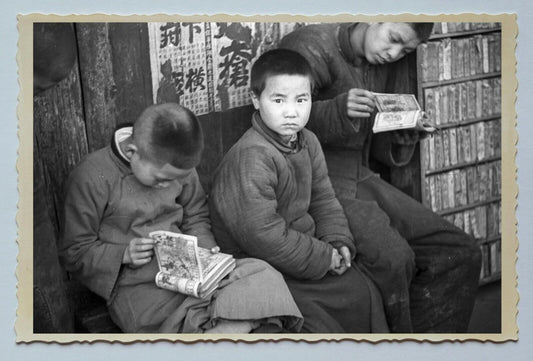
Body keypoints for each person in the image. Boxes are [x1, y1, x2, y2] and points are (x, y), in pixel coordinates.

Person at [279, 22, 481, 332]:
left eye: (406, 50)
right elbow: (278, 123)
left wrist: (405, 128)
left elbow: (373, 137)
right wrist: (334, 110)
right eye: (394, 39)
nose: (394, 53)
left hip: (358, 176)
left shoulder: (379, 62)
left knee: (460, 250)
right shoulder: (308, 45)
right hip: (310, 181)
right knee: (393, 259)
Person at [59, 103, 303, 333]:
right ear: (133, 151)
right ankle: (236, 325)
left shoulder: (177, 163)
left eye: (177, 179)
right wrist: (123, 254)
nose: (168, 185)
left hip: (189, 269)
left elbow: (195, 212)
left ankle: (226, 328)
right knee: (171, 320)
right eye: (161, 179)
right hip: (137, 286)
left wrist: (206, 251)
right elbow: (74, 251)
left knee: (262, 273)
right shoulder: (92, 177)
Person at [209, 49, 389, 333]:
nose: (291, 112)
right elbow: (263, 236)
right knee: (322, 322)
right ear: (256, 100)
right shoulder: (252, 157)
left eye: (301, 100)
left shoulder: (308, 141)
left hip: (301, 250)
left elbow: (323, 199)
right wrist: (322, 257)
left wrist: (337, 240)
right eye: (278, 100)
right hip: (262, 264)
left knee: (364, 291)